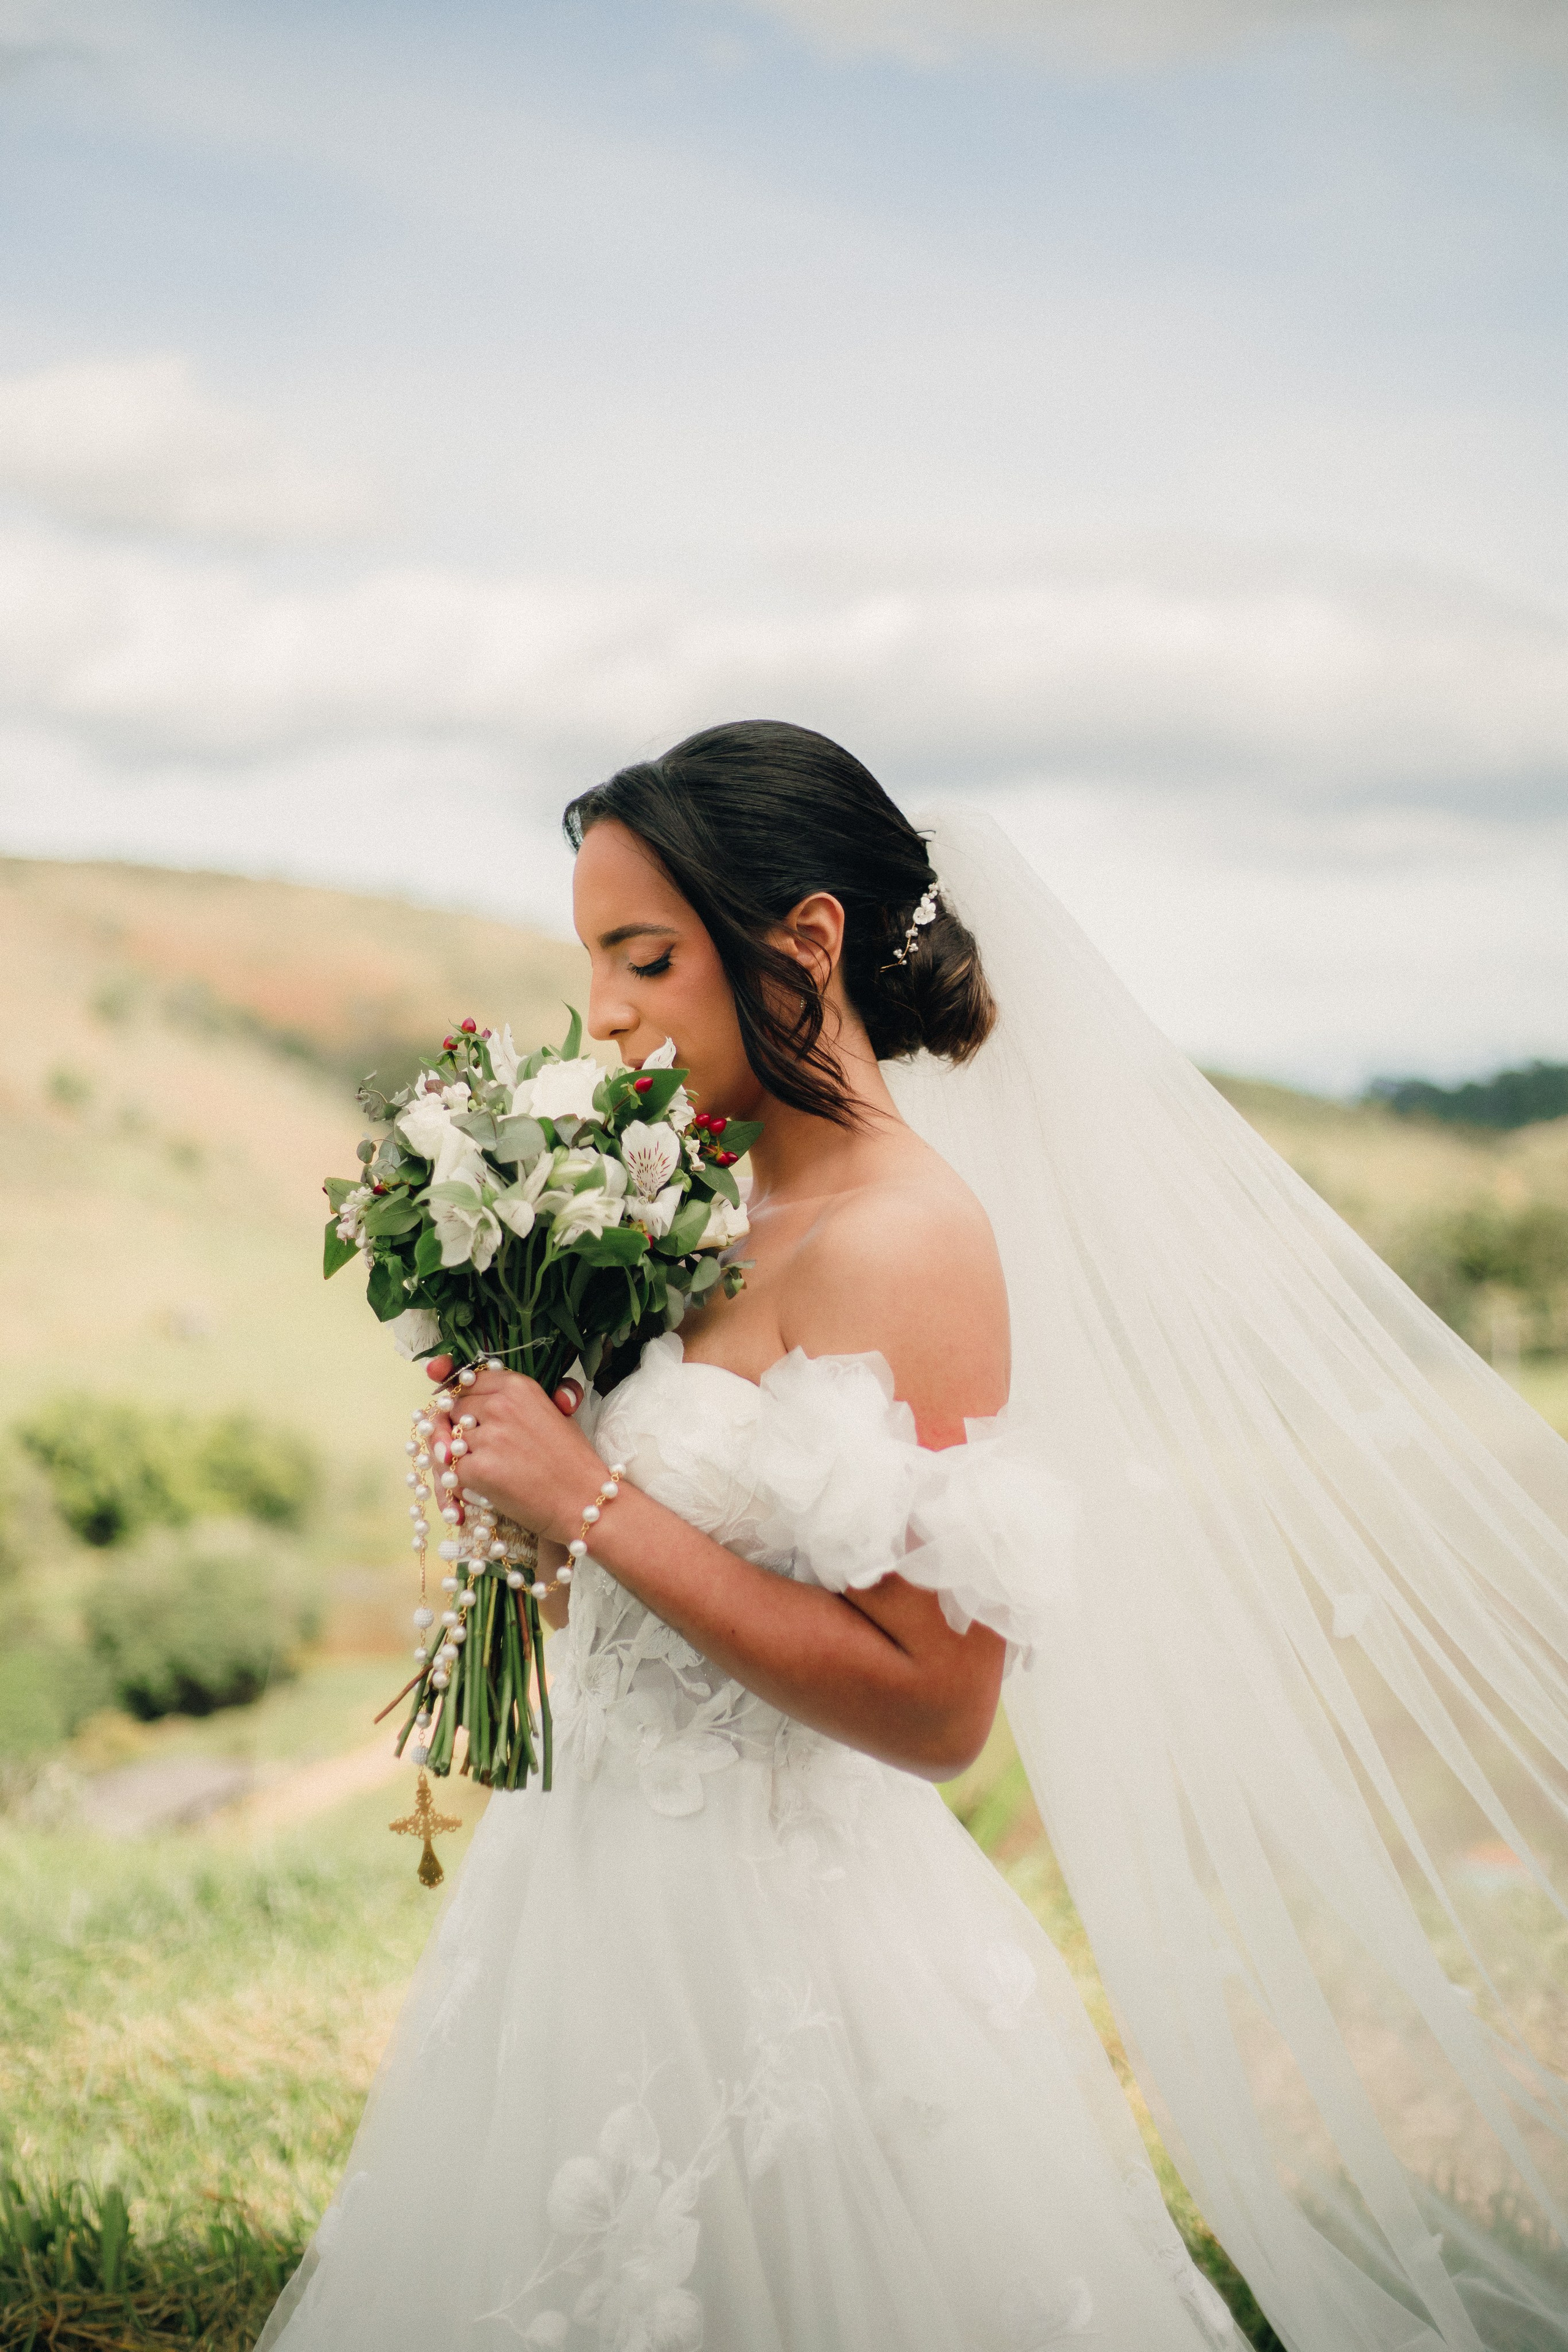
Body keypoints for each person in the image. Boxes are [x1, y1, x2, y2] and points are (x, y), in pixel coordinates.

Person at [260, 722, 1568, 2352]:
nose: (600, 1012)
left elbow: (938, 1709)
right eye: (590, 957)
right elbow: (658, 1573)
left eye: (643, 956)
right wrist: (522, 1492)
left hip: (782, 1955)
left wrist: (588, 1498)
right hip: (583, 1903)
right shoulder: (692, 1210)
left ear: (803, 941)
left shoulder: (910, 1240)